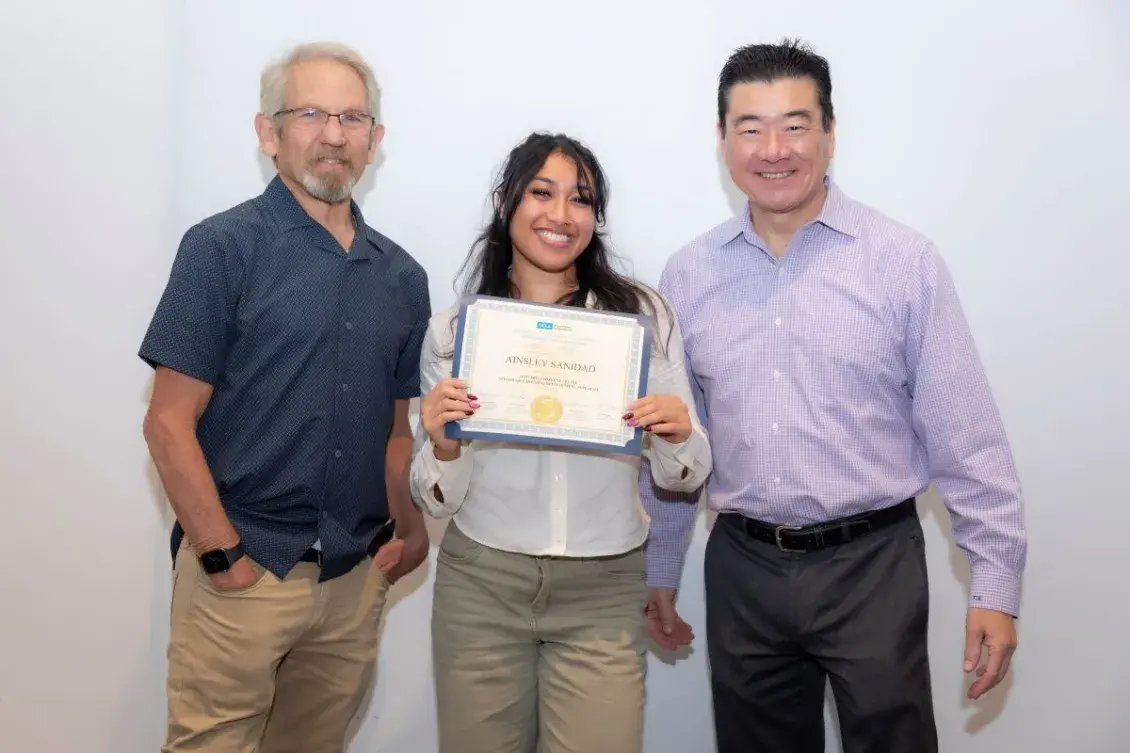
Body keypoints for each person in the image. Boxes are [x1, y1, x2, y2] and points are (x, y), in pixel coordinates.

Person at [639, 39, 1028, 753]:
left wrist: (996, 586)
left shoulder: (902, 262)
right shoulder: (689, 275)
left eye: (795, 124)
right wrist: (659, 568)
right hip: (744, 568)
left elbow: (965, 436)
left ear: (829, 133)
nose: (774, 148)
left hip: (872, 563)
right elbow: (676, 441)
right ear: (722, 140)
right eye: (750, 127)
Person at [139, 42, 431, 753]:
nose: (334, 133)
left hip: (351, 581)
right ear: (269, 132)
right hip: (242, 573)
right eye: (310, 113)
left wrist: (409, 523)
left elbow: (397, 430)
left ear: (375, 141)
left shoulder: (403, 276)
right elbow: (168, 424)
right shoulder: (219, 249)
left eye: (353, 117)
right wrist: (219, 555)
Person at [409, 131, 712, 753]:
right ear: (505, 203)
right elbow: (437, 503)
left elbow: (684, 476)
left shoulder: (641, 320)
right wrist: (442, 445)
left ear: (595, 218)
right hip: (482, 585)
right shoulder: (457, 333)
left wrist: (677, 434)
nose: (560, 214)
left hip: (603, 590)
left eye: (580, 200)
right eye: (541, 193)